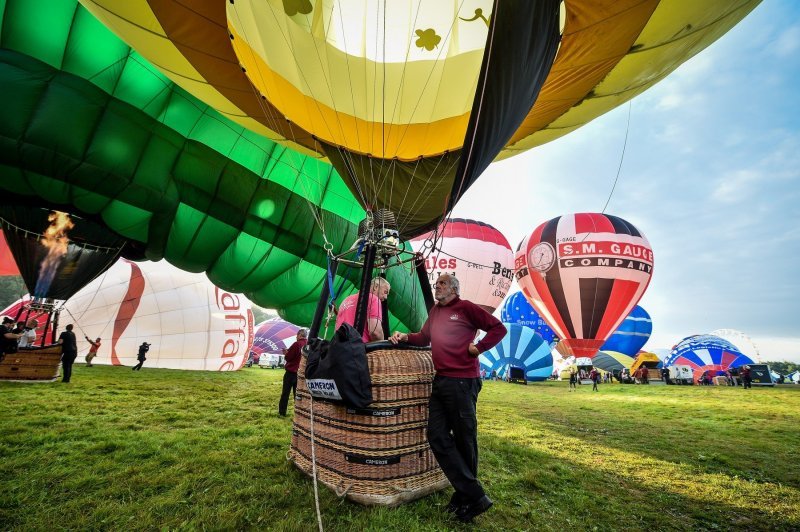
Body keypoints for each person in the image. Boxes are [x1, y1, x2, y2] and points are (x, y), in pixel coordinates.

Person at [389, 274, 506, 524]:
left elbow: (499, 328)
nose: (437, 286)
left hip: (463, 382)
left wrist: (479, 347)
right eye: (437, 284)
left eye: (441, 283)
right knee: (436, 435)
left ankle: (464, 498)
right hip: (441, 380)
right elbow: (424, 338)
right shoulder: (436, 312)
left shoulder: (466, 308)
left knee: (465, 439)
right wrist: (404, 336)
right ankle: (473, 495)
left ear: (453, 288)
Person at [335, 277, 390, 342]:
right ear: (375, 287)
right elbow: (375, 332)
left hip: (337, 346)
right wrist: (382, 346)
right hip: (357, 348)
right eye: (385, 292)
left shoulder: (346, 300)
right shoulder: (374, 299)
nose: (385, 297)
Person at [278, 328, 307, 417]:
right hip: (301, 373)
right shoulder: (308, 344)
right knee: (298, 395)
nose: (296, 337)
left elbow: (288, 358)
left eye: (296, 335)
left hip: (291, 373)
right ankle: (299, 413)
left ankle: (282, 413)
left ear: (299, 335)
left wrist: (286, 353)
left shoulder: (296, 344)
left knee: (285, 394)